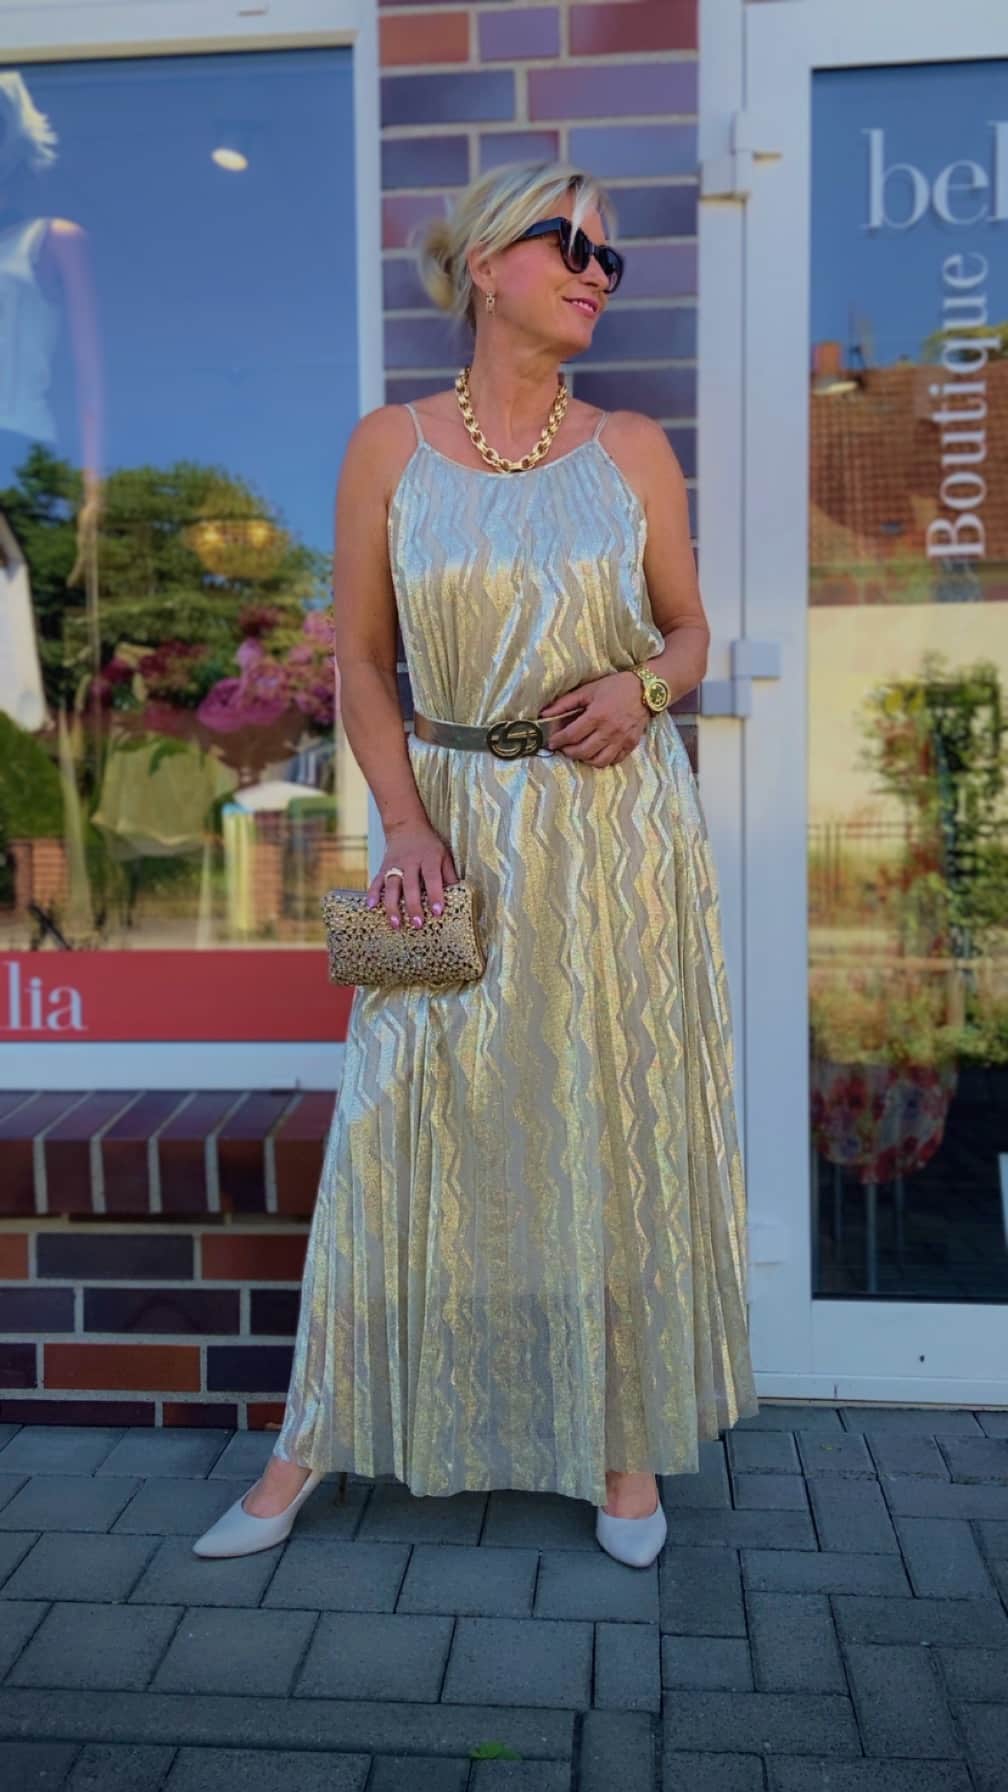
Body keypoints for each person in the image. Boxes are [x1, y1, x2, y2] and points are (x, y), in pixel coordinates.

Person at [194, 159, 759, 1571]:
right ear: (487, 262)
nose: (595, 272)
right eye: (570, 243)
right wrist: (401, 823)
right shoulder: (386, 447)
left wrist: (646, 687)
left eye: (611, 257)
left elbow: (692, 631)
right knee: (399, 1121)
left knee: (605, 1122)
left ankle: (624, 1447)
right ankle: (308, 1442)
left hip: (615, 835)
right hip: (441, 819)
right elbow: (360, 659)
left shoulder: (632, 448)